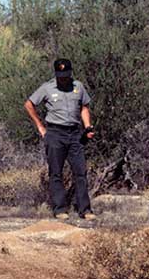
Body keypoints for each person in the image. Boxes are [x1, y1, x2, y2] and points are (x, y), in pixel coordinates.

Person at [24, 58, 96, 220]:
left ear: (70, 72)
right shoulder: (47, 87)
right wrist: (40, 127)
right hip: (55, 133)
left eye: (65, 74)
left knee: (80, 172)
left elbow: (84, 107)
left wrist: (87, 126)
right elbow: (29, 104)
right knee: (56, 172)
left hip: (75, 134)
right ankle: (60, 209)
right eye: (60, 75)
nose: (62, 78)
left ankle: (85, 210)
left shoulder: (78, 87)